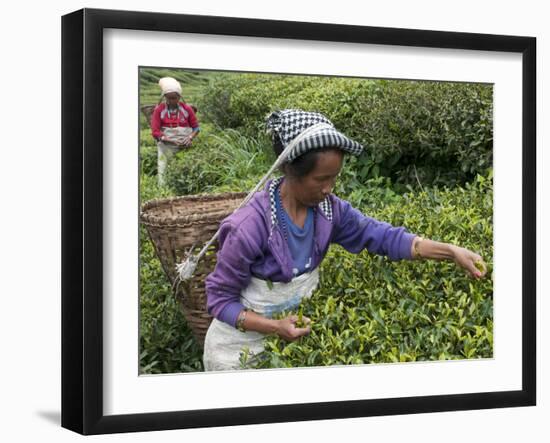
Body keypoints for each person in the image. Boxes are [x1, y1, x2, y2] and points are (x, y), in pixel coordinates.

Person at [203, 108, 487, 372]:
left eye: (334, 178)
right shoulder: (249, 227)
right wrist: (274, 326)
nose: (329, 189)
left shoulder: (330, 211)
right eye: (320, 179)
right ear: (290, 170)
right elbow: (219, 300)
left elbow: (383, 236)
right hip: (238, 347)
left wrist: (450, 251)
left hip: (291, 336)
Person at [151, 77, 200, 185]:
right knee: (163, 170)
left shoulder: (187, 109)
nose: (171, 101)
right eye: (168, 98)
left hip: (184, 145)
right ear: (164, 97)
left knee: (185, 170)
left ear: (179, 97)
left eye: (174, 98)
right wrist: (169, 140)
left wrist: (190, 137)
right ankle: (163, 191)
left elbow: (196, 128)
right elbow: (155, 132)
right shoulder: (159, 110)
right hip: (166, 145)